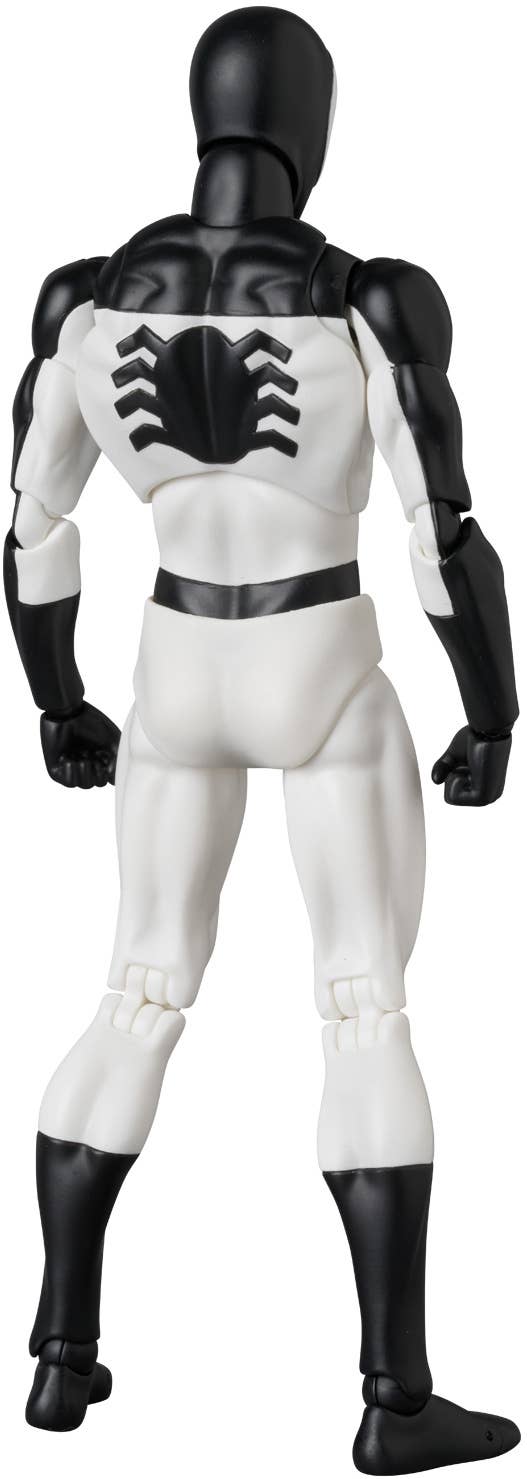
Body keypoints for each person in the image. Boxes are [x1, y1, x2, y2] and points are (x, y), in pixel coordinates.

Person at [5, 8, 519, 1471]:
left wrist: (56, 696)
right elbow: (441, 533)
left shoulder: (85, 299)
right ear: (312, 126)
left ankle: (61, 1355)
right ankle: (396, 1398)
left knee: (137, 990)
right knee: (362, 1005)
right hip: (319, 653)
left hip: (175, 661)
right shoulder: (367, 299)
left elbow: (34, 527)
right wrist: (493, 707)